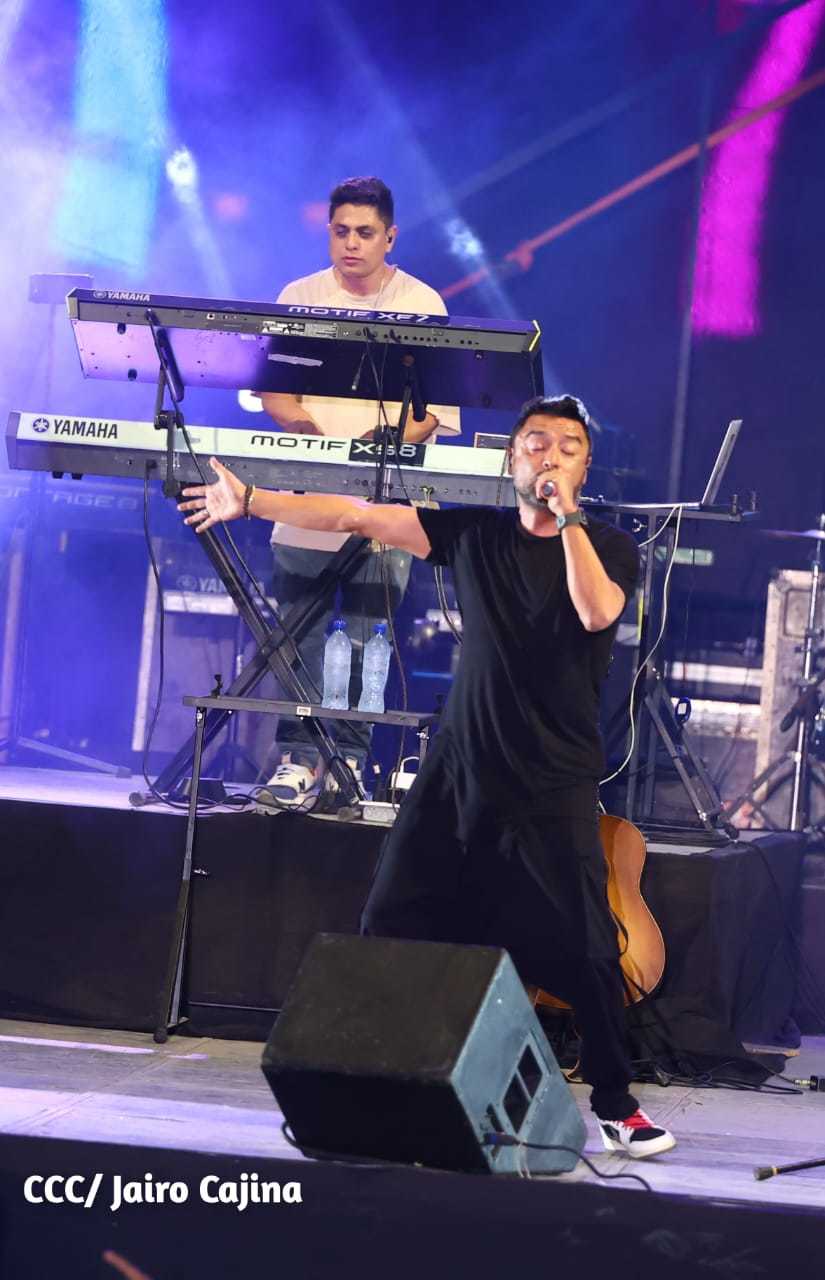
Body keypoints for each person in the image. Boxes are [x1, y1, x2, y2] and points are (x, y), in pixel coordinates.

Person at [178, 393, 676, 1159]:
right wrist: (251, 500)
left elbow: (594, 613)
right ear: (510, 458)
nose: (548, 455)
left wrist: (568, 519)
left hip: (552, 778)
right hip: (458, 768)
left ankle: (616, 1105)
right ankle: (361, 1082)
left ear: (582, 466)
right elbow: (356, 517)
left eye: (566, 446)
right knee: (389, 915)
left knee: (585, 947)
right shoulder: (473, 533)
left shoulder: (605, 544)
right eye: (535, 442)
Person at [256, 175, 460, 807]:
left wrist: (385, 442)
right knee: (300, 634)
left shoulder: (422, 302)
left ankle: (347, 760)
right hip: (307, 496)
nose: (351, 243)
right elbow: (274, 391)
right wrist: (304, 430)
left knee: (371, 637)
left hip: (386, 503)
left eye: (365, 233)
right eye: (341, 231)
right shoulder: (299, 296)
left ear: (389, 237)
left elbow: (435, 412)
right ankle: (298, 760)